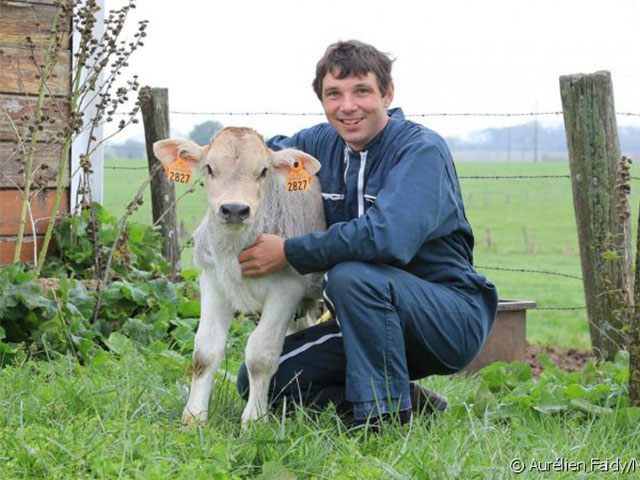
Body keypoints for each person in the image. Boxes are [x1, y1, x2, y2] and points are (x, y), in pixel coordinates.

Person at [236, 40, 498, 427]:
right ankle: (410, 401)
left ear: (387, 94)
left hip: (446, 317)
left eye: (361, 91)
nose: (347, 106)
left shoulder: (420, 150)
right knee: (261, 379)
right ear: (322, 100)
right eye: (334, 94)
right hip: (363, 323)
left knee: (353, 274)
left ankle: (384, 420)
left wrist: (290, 251)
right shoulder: (319, 144)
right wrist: (226, 155)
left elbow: (388, 238)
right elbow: (266, 152)